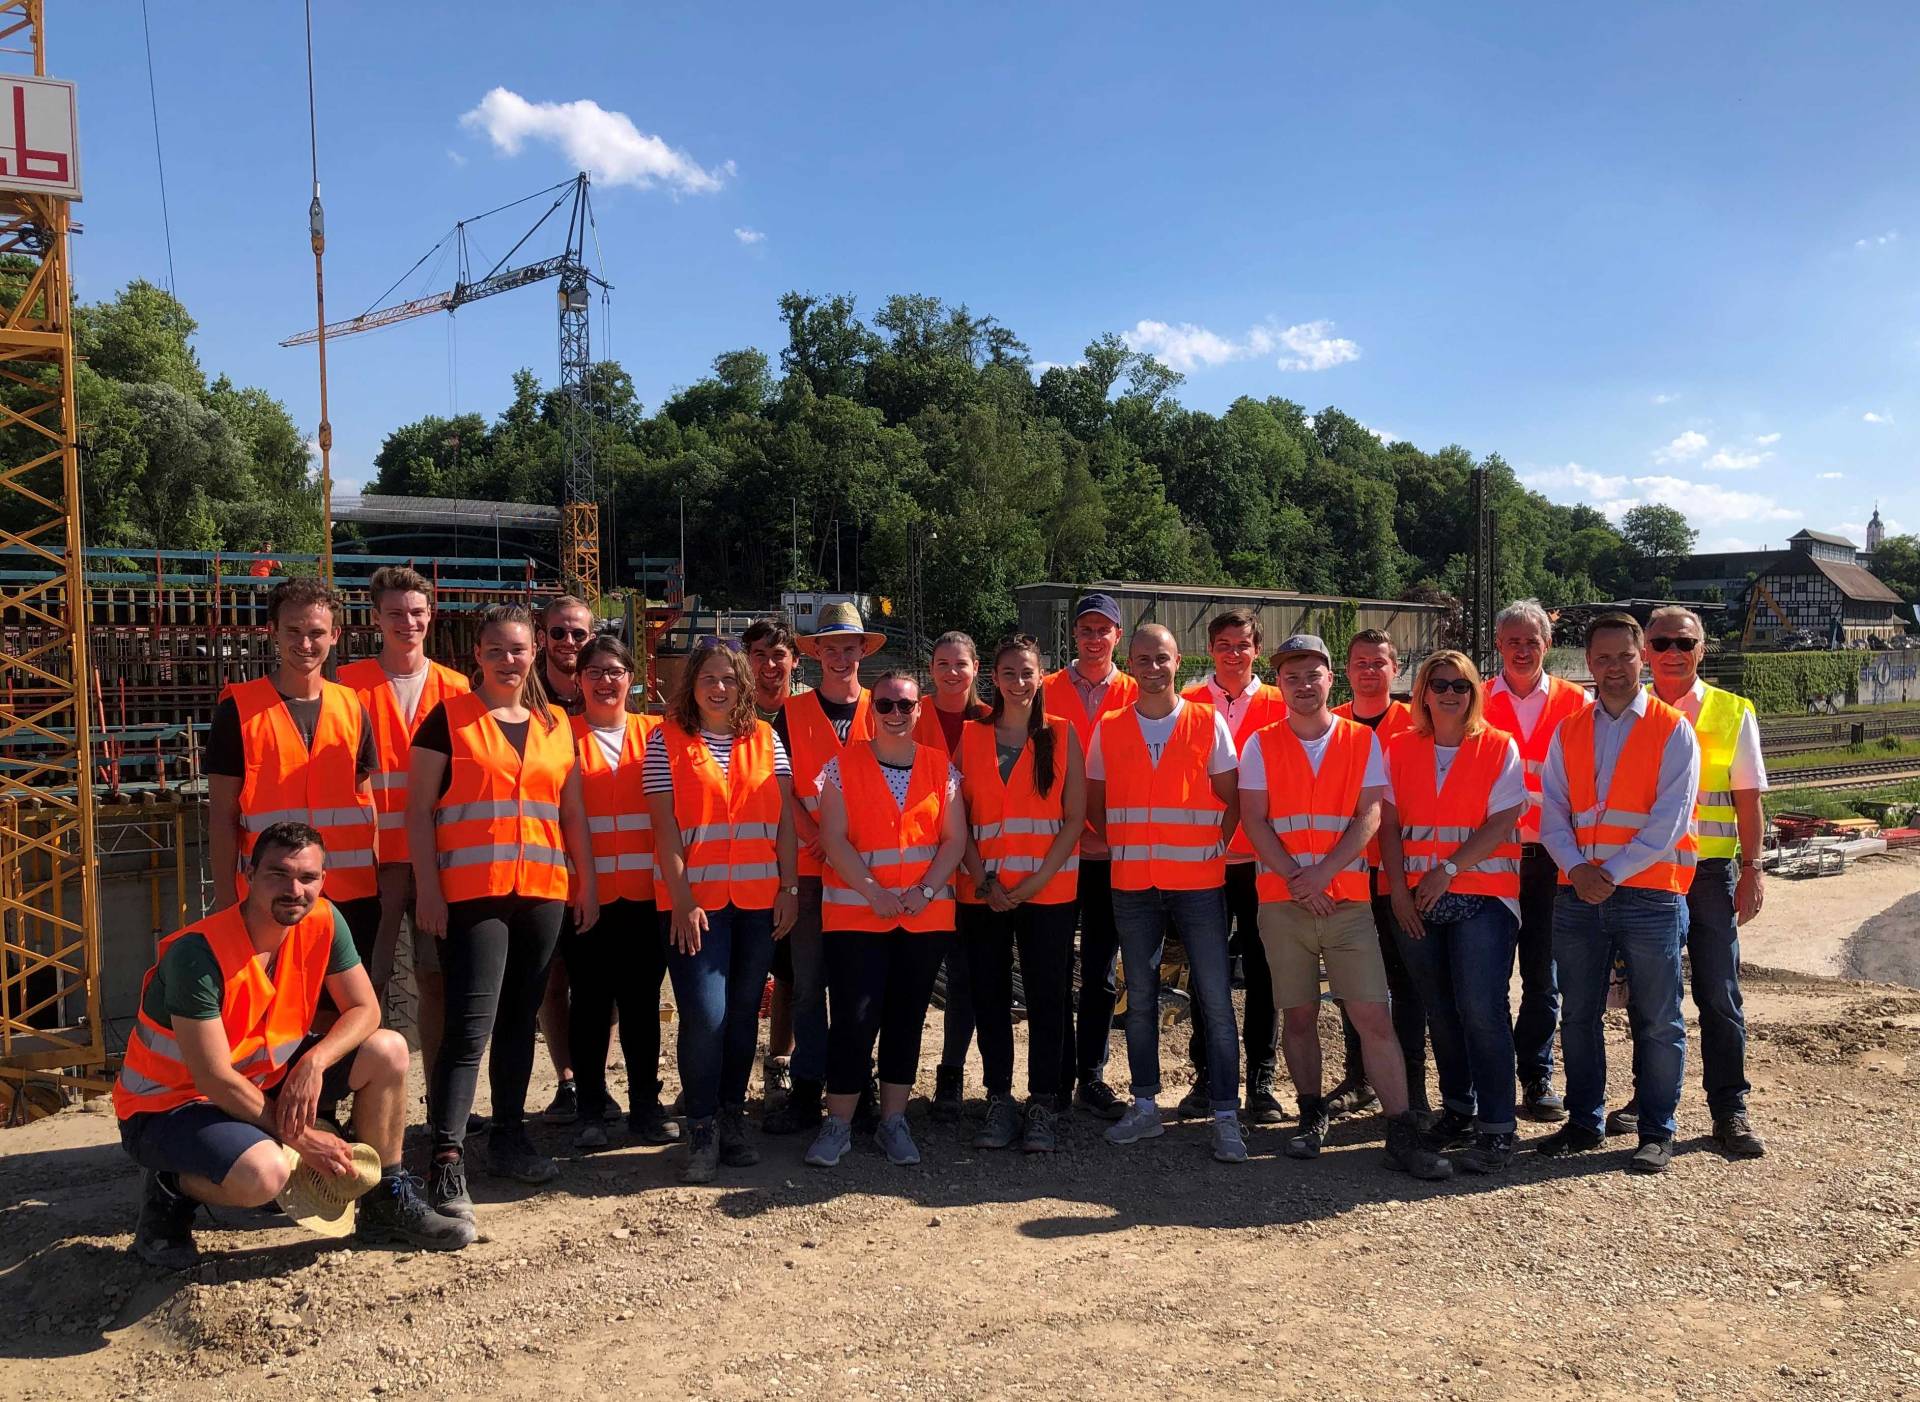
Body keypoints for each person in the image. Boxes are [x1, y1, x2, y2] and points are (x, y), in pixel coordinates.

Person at [115, 822, 472, 1268]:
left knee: (389, 1049)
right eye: (278, 875)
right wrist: (301, 1138)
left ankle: (385, 1202)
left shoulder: (322, 920)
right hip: (168, 1106)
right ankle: (169, 1188)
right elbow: (213, 1077)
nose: (294, 890)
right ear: (248, 873)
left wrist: (315, 1062)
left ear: (324, 879)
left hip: (261, 1080)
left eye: (308, 877)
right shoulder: (198, 955)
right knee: (265, 1174)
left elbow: (366, 1011)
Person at [407, 604, 599, 1221]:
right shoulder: (449, 720)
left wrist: (583, 883)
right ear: (479, 657)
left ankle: (511, 1136)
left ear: (535, 651)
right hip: (474, 895)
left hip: (541, 892)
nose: (509, 660)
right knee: (471, 1024)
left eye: (519, 650)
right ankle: (446, 1156)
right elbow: (417, 814)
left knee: (521, 1019)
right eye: (496, 650)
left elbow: (570, 815)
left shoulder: (554, 726)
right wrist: (429, 891)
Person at [1239, 634, 1451, 1180]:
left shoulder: (1361, 740)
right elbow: (1255, 820)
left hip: (1347, 901)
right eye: (1291, 677)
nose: (1302, 685)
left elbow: (1370, 817)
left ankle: (1400, 1130)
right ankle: (1311, 1116)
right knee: (1300, 1012)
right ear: (1279, 682)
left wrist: (1323, 875)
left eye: (1313, 675)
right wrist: (1298, 879)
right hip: (1284, 903)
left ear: (1330, 679)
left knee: (1372, 1016)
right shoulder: (1261, 743)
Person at [1536, 613, 1699, 1175]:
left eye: (1624, 657)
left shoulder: (1672, 727)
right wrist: (1579, 869)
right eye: (1601, 658)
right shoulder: (1570, 730)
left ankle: (1657, 1130)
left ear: (1642, 658)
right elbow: (1552, 810)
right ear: (1589, 662)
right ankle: (1585, 1120)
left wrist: (1607, 872)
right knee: (1578, 1014)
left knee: (1657, 1018)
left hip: (1649, 894)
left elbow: (1670, 820)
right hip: (1579, 893)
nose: (1612, 668)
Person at [1607, 606, 1767, 1158]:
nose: (1672, 652)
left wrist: (1753, 868)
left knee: (1718, 993)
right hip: (1646, 873)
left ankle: (1729, 1108)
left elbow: (1748, 802)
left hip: (1708, 874)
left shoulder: (1731, 711)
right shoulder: (1624, 712)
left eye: (1684, 642)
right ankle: (1646, 1099)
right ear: (1645, 650)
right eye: (1661, 642)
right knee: (1649, 996)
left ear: (1702, 650)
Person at [1088, 624, 1247, 1164]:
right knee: (1139, 1004)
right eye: (1142, 659)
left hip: (1199, 885)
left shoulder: (1208, 722)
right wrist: (1130, 846)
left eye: (1162, 658)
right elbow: (1095, 803)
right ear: (1129, 664)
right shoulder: (1109, 728)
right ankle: (1146, 1106)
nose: (1152, 667)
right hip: (1133, 885)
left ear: (1178, 662)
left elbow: (1232, 799)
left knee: (1216, 1001)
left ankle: (1225, 1114)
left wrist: (1212, 847)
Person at [646, 638, 800, 1182]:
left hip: (759, 903)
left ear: (743, 686)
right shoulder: (664, 740)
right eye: (709, 678)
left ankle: (732, 1119)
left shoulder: (766, 739)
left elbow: (783, 823)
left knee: (740, 1019)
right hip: (699, 908)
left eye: (729, 679)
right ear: (692, 683)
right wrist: (682, 900)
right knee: (706, 1018)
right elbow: (664, 830)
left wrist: (790, 888)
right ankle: (703, 1126)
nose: (718, 687)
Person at [804, 672, 967, 1169]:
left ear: (920, 710)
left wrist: (924, 890)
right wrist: (874, 892)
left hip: (923, 918)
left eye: (907, 705)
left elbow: (953, 841)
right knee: (853, 1020)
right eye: (887, 705)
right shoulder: (840, 767)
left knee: (906, 1020)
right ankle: (839, 1125)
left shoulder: (942, 769)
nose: (896, 714)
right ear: (872, 710)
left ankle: (893, 1122)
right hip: (858, 917)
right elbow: (834, 839)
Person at [1378, 651, 1527, 1173]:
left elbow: (1503, 820)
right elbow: (1388, 828)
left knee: (1481, 1010)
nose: (1449, 693)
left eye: (1460, 685)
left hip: (1481, 897)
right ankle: (1459, 1108)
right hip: (1417, 901)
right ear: (1421, 692)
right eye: (1438, 684)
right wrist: (1397, 892)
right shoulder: (1398, 749)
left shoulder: (1498, 747)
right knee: (1439, 1010)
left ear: (1473, 693)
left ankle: (1497, 1127)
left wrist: (1448, 869)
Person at [336, 566, 471, 1084]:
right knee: (363, 982)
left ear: (430, 616)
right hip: (373, 861)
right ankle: (360, 1098)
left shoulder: (456, 689)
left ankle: (440, 1099)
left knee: (435, 979)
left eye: (416, 612)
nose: (407, 622)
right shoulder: (347, 687)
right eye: (395, 613)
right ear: (375, 619)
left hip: (439, 858)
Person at [207, 579, 380, 970]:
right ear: (273, 631)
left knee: (342, 1017)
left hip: (350, 897)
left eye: (316, 633)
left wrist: (378, 884)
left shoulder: (352, 707)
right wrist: (225, 905)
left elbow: (368, 806)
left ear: (335, 635)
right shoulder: (238, 711)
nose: (305, 644)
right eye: (294, 631)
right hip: (272, 899)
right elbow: (221, 816)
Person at [956, 635, 1086, 1153]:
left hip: (1047, 892)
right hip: (983, 892)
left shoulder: (1063, 735)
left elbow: (1073, 819)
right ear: (995, 677)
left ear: (1041, 675)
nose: (1018, 682)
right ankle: (999, 1099)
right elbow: (957, 818)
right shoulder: (970, 737)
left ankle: (1043, 1102)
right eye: (1008, 672)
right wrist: (984, 879)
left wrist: (1030, 884)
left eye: (1027, 672)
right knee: (989, 996)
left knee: (1047, 997)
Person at [765, 601, 881, 1136]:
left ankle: (858, 1084)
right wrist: (815, 839)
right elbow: (781, 790)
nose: (840, 656)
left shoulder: (885, 708)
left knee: (860, 987)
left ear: (863, 651)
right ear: (816, 656)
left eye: (848, 647)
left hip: (867, 873)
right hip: (813, 870)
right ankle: (807, 1089)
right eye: (829, 648)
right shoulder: (790, 715)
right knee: (809, 985)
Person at [1176, 608, 1288, 1125]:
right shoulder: (1188, 705)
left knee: (1265, 973)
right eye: (1223, 644)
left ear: (1256, 650)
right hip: (1206, 859)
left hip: (1263, 862)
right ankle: (1209, 1076)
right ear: (1210, 649)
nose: (1232, 653)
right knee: (1206, 973)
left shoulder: (1280, 703)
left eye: (1242, 644)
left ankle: (1262, 1079)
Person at [566, 635, 678, 1151]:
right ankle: (589, 1107)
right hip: (585, 897)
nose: (605, 681)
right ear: (578, 680)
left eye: (615, 671)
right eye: (594, 672)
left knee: (639, 1004)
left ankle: (644, 1108)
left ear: (633, 678)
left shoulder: (657, 735)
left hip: (645, 897)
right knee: (588, 1004)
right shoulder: (561, 737)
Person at [1483, 598, 1591, 1122]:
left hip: (1552, 860)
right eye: (1513, 641)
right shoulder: (1473, 698)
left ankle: (1536, 1073)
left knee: (1543, 978)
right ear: (1498, 645)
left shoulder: (1577, 703)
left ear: (1547, 645)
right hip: (1492, 859)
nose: (1522, 651)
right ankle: (1492, 1076)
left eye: (1532, 641)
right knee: (1489, 976)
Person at [1043, 592, 1139, 1121]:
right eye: (1086, 629)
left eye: (1104, 630)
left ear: (1117, 636)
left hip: (1111, 853)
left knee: (1102, 970)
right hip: (1057, 849)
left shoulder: (1135, 690)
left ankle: (1091, 1077)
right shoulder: (1047, 688)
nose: (1094, 638)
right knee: (1055, 967)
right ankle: (1057, 1075)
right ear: (1074, 635)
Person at [1324, 628, 1426, 1119]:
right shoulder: (1332, 723)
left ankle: (1412, 1085)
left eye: (1378, 662)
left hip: (1399, 875)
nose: (1369, 670)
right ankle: (1359, 1077)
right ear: (1346, 671)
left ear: (1395, 668)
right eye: (1360, 662)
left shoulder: (1416, 722)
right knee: (1355, 983)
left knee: (1405, 981)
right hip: (1347, 875)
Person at [915, 630, 993, 1123]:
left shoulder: (990, 721)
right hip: (914, 871)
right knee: (911, 979)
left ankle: (951, 1071)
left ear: (975, 668)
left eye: (960, 663)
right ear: (931, 668)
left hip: (971, 876)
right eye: (942, 663)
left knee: (964, 981)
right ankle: (890, 1073)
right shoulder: (907, 712)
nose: (951, 672)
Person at [533, 595, 595, 1124]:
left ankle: (593, 1073)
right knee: (554, 979)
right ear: (542, 637)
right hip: (546, 858)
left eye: (579, 634)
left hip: (604, 862)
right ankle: (567, 1079)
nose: (569, 643)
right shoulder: (525, 699)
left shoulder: (608, 687)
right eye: (560, 633)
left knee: (603, 979)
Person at [746, 617, 809, 1104]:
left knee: (789, 974)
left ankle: (780, 1064)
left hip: (799, 861)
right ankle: (719, 1076)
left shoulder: (807, 712)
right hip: (740, 858)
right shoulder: (727, 708)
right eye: (760, 655)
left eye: (778, 655)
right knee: (739, 976)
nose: (769, 665)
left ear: (793, 659)